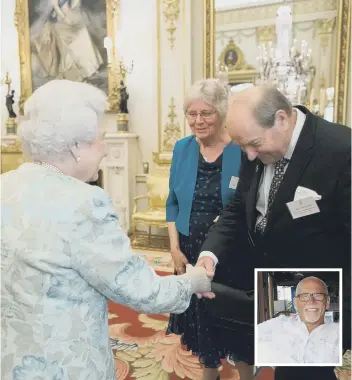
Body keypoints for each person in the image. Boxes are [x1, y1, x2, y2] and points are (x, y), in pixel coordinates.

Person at [0, 80, 212, 380]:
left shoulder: (5, 186)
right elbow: (141, 291)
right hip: (66, 365)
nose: (104, 149)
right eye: (101, 138)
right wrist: (193, 281)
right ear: (75, 146)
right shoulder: (84, 203)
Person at [196, 85, 351, 380]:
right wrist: (209, 253)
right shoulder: (254, 149)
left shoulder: (341, 150)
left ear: (282, 119)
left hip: (320, 293)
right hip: (274, 286)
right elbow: (239, 207)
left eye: (253, 143)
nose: (250, 155)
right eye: (243, 146)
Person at [166, 79, 253, 380]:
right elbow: (172, 203)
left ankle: (245, 373)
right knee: (202, 325)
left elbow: (248, 207)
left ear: (222, 113)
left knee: (234, 326)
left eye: (206, 113)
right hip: (190, 253)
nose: (198, 121)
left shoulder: (241, 150)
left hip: (231, 254)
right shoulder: (182, 149)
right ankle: (209, 373)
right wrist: (174, 249)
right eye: (192, 113)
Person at [257, 276, 340, 364]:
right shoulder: (276, 326)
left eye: (318, 295)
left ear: (327, 302)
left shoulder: (339, 334)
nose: (311, 301)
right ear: (295, 303)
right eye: (304, 296)